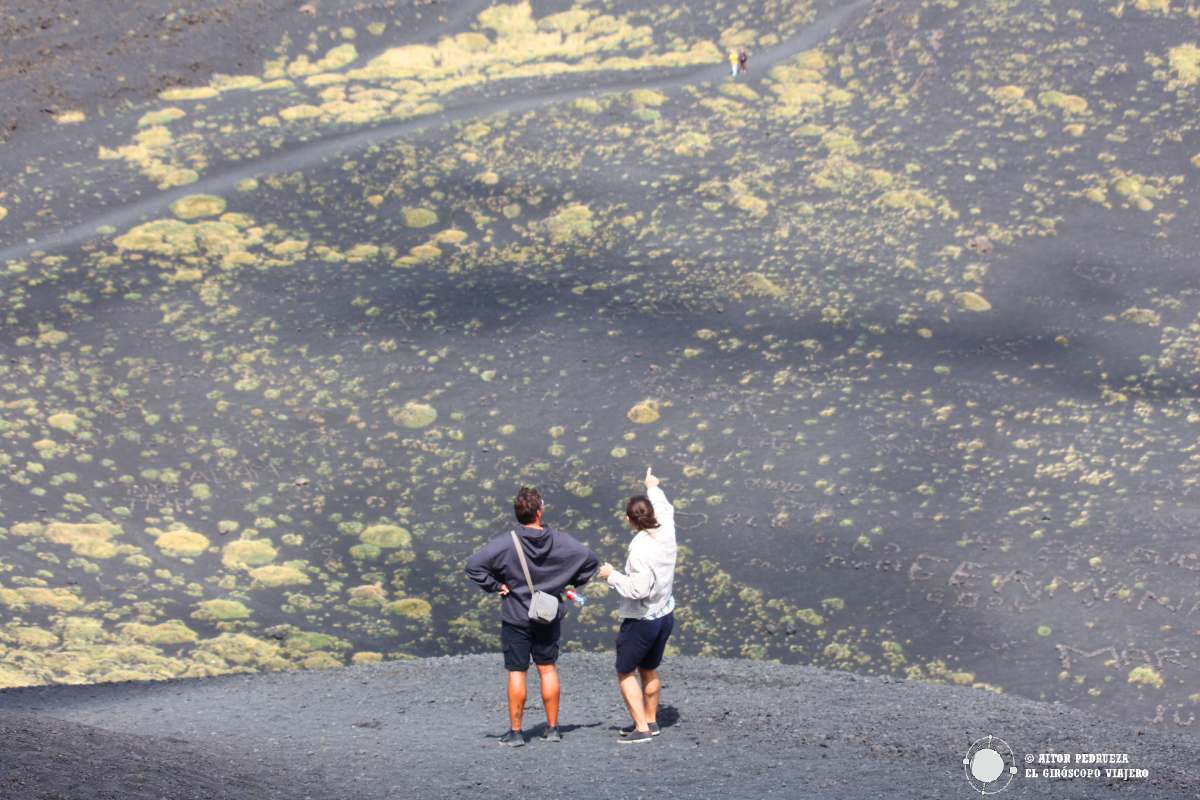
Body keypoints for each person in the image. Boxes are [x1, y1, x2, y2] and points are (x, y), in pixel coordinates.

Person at [465, 486, 599, 747]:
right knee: (547, 669)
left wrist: (496, 586)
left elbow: (473, 566)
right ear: (540, 512)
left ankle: (516, 732)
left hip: (516, 615)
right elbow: (590, 559)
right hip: (547, 615)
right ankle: (552, 729)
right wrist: (569, 582)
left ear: (518, 514)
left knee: (517, 672)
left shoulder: (505, 543)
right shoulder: (561, 541)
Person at [598, 466, 677, 745]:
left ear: (628, 519)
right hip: (665, 613)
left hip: (643, 619)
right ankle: (652, 720)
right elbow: (664, 506)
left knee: (625, 671)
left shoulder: (640, 550)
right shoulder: (666, 527)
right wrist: (652, 485)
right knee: (649, 668)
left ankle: (641, 727)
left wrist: (612, 575)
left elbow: (637, 588)